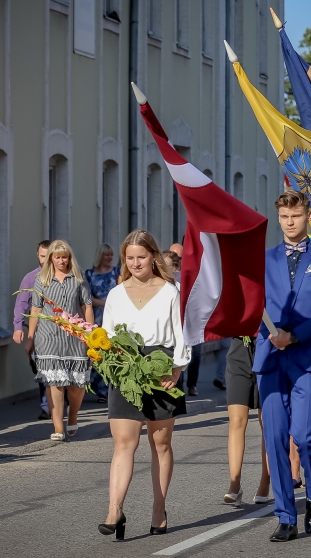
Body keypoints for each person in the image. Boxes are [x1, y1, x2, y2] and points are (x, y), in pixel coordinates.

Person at [254, 191, 311, 542]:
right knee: (274, 438)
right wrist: (269, 333)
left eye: (296, 215)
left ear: (308, 216)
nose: (290, 222)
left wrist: (295, 336)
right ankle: (286, 515)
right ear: (278, 218)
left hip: (309, 358)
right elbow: (251, 305)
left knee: (305, 436)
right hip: (271, 357)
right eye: (284, 216)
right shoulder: (263, 259)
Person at [98, 230, 190, 539]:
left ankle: (158, 508)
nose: (135, 263)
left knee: (160, 443)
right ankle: (115, 509)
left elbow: (181, 334)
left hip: (162, 366)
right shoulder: (115, 293)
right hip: (125, 369)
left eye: (141, 256)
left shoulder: (170, 292)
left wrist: (177, 370)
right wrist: (107, 359)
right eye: (130, 258)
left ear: (153, 256)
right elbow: (106, 335)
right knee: (124, 442)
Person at [27, 240, 94, 440]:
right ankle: (57, 426)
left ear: (69, 257)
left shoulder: (79, 278)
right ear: (51, 258)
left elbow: (87, 306)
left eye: (64, 257)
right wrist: (30, 337)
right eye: (57, 257)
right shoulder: (41, 279)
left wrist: (90, 334)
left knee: (76, 385)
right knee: (54, 382)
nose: (61, 261)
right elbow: (36, 309)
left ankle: (72, 414)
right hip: (48, 336)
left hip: (74, 336)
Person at [223, 336, 273, 506]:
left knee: (267, 422)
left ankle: (265, 481)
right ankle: (234, 484)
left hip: (269, 349)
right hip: (239, 351)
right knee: (236, 421)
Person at [14, 240, 51, 419]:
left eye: (48, 256)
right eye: (42, 256)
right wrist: (17, 326)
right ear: (38, 255)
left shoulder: (65, 276)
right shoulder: (31, 277)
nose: (45, 260)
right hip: (38, 331)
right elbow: (21, 303)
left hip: (61, 331)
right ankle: (47, 405)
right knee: (41, 368)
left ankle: (55, 402)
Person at [86, 244, 120, 403]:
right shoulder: (90, 274)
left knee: (111, 350)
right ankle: (96, 387)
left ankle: (107, 390)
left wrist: (112, 307)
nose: (110, 258)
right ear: (100, 256)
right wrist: (106, 304)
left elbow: (122, 293)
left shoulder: (116, 272)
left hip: (114, 317)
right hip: (97, 316)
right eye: (107, 255)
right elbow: (87, 298)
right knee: (97, 353)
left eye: (111, 255)